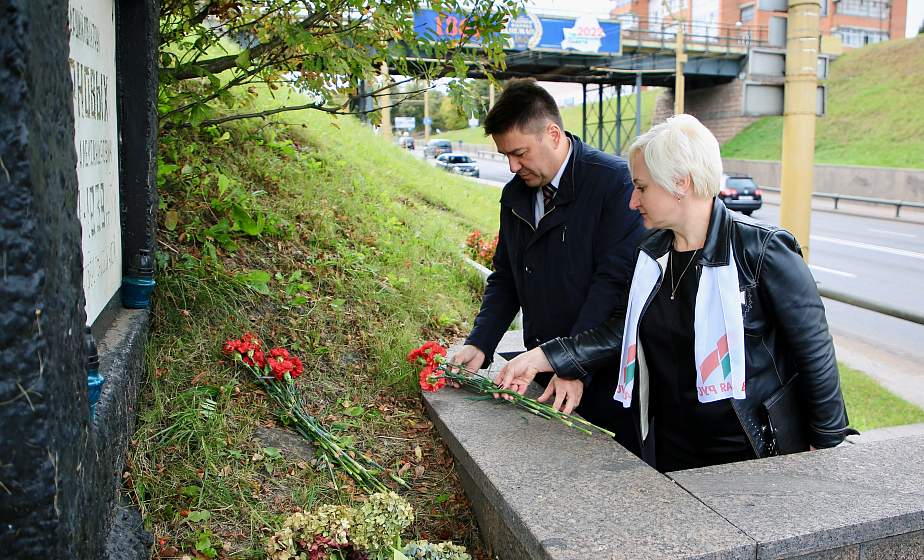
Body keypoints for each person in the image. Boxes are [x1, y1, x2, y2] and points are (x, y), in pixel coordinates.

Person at [497, 114, 852, 472]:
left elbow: (815, 354)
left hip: (752, 447)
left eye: (642, 187)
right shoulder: (651, 253)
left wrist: (826, 446)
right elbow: (620, 331)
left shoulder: (762, 251)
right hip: (671, 447)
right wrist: (544, 357)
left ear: (681, 183)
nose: (633, 202)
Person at [450, 79, 644, 444]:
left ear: (553, 134)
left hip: (602, 373)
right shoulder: (514, 195)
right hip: (541, 365)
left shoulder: (612, 184)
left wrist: (571, 363)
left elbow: (612, 286)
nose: (512, 166)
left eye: (519, 153)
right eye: (505, 155)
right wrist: (480, 343)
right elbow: (506, 276)